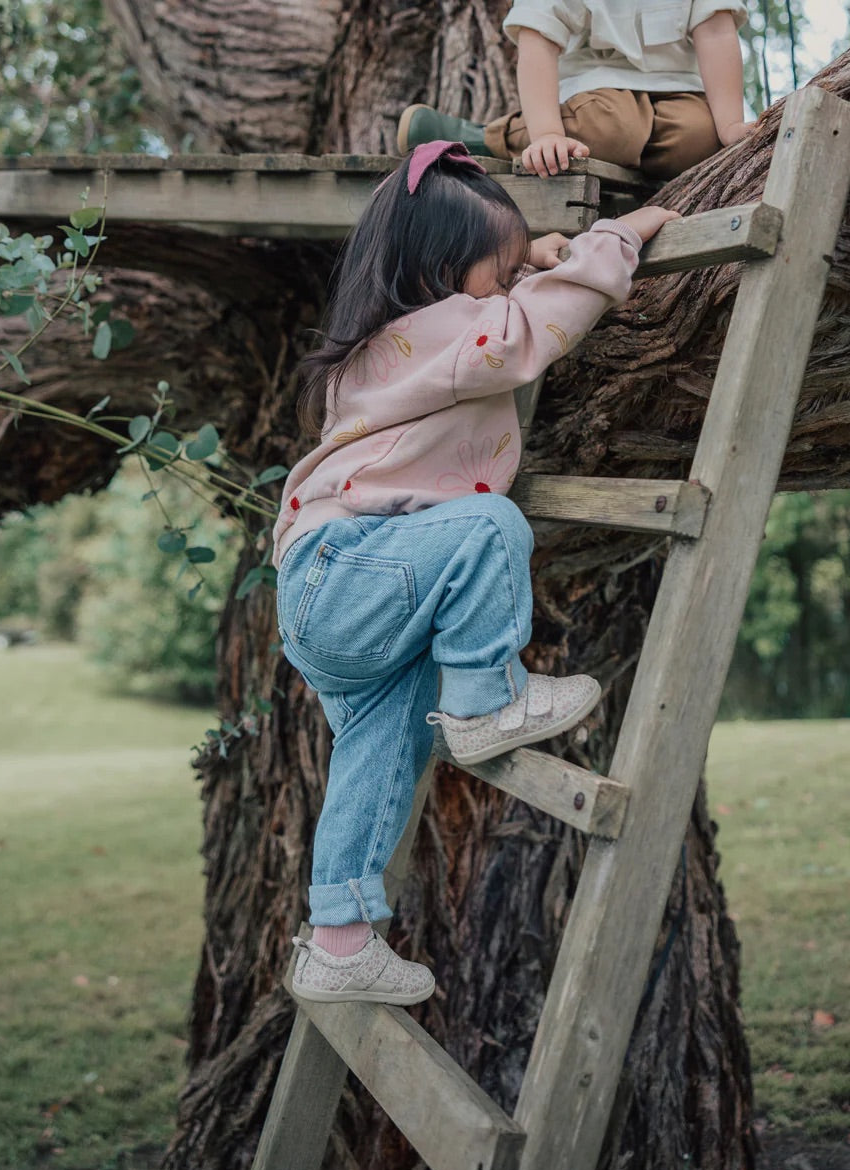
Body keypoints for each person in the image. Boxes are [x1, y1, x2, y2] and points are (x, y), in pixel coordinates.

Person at [274, 141, 678, 1004]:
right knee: (489, 524)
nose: (509, 289)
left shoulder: (394, 339)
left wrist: (519, 256)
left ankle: (340, 940)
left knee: (377, 756)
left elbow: (492, 309)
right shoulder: (452, 331)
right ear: (446, 276)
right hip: (351, 569)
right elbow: (528, 333)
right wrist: (624, 233)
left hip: (335, 595)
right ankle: (484, 701)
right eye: (495, 276)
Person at [398, 0, 752, 180]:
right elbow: (537, 41)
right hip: (596, 90)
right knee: (611, 128)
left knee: (701, 137)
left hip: (678, 92)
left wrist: (729, 125)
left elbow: (717, 33)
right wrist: (548, 133)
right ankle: (486, 138)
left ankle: (644, 162)